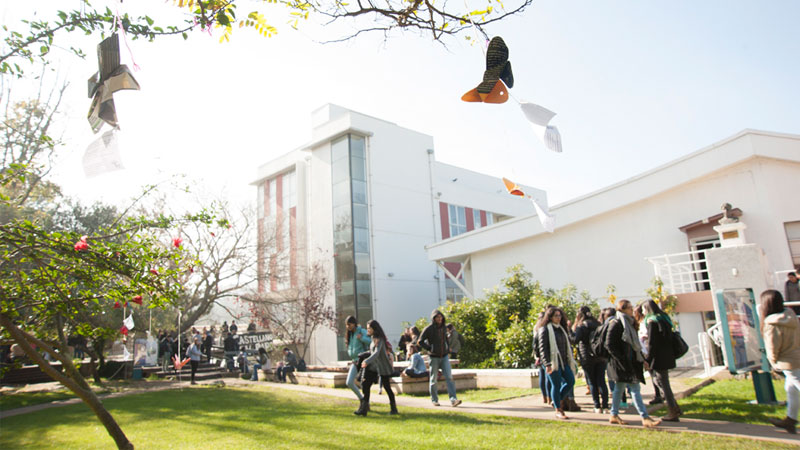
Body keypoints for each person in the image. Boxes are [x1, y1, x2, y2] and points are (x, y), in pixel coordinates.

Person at [605, 299, 661, 428]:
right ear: (622, 309)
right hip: (622, 364)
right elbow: (609, 344)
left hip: (632, 361)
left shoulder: (630, 323)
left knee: (619, 389)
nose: (632, 310)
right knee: (635, 389)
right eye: (629, 308)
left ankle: (614, 414)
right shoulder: (616, 323)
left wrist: (642, 359)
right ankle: (645, 417)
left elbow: (635, 344)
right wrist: (620, 360)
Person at [760, 289, 800, 434]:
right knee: (791, 390)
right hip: (797, 355)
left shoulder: (771, 323)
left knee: (795, 386)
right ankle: (790, 420)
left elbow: (772, 347)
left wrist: (773, 363)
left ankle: (790, 420)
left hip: (788, 361)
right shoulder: (791, 316)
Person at [642, 299, 680, 421]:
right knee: (662, 382)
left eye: (643, 309)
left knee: (662, 383)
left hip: (659, 357)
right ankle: (675, 407)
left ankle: (672, 411)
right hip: (668, 354)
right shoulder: (664, 318)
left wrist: (648, 359)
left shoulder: (652, 321)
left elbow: (653, 343)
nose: (642, 312)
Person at [537, 306, 577, 419]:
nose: (558, 318)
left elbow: (567, 345)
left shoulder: (562, 329)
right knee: (556, 384)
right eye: (556, 316)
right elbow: (542, 349)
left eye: (560, 315)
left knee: (570, 381)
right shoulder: (544, 329)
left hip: (564, 362)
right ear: (550, 317)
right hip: (552, 363)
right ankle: (558, 409)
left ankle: (557, 400)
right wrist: (547, 364)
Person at [419, 310, 462, 407]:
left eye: (440, 317)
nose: (439, 319)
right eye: (437, 317)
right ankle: (434, 399)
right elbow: (420, 341)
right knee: (434, 379)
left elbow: (445, 339)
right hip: (434, 357)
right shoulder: (429, 329)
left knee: (449, 377)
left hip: (444, 356)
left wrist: (447, 348)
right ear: (434, 318)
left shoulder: (444, 328)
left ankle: (453, 399)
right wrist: (430, 348)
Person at [354, 320, 398, 416]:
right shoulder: (373, 338)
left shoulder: (380, 339)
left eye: (369, 328)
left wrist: (366, 361)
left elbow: (376, 353)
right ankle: (364, 409)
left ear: (374, 329)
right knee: (365, 385)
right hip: (374, 367)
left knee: (387, 387)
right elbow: (372, 351)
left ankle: (394, 409)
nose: (367, 330)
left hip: (382, 367)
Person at [574, 306, 609, 414]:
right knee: (601, 381)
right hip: (600, 355)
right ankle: (606, 406)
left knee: (592, 382)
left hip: (587, 357)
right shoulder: (598, 324)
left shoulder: (581, 326)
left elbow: (575, 340)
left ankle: (597, 406)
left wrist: (571, 330)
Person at [344, 316, 372, 407]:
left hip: (362, 361)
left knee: (364, 384)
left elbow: (371, 341)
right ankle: (362, 399)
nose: (348, 326)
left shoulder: (361, 331)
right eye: (346, 325)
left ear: (354, 323)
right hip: (354, 361)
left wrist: (361, 338)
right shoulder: (350, 334)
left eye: (349, 324)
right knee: (349, 382)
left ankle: (365, 404)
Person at [533, 310, 551, 405]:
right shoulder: (544, 328)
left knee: (542, 376)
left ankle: (544, 396)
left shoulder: (536, 327)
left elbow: (534, 344)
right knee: (547, 377)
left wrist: (537, 355)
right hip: (545, 354)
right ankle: (549, 397)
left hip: (539, 355)